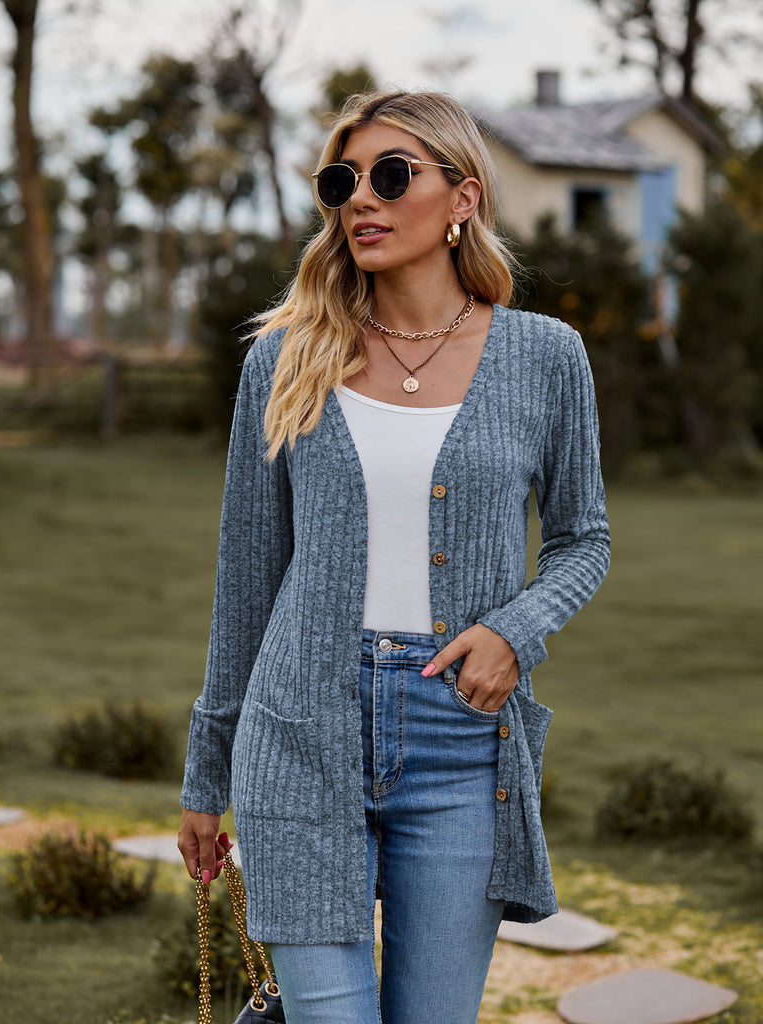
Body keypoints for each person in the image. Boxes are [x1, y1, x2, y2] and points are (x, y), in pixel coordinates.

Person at [178, 90, 610, 1024]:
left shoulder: (546, 357)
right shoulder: (286, 358)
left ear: (463, 197)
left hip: (460, 739)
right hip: (299, 730)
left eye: (391, 174)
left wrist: (515, 630)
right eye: (343, 181)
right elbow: (246, 580)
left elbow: (584, 539)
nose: (361, 199)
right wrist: (207, 776)